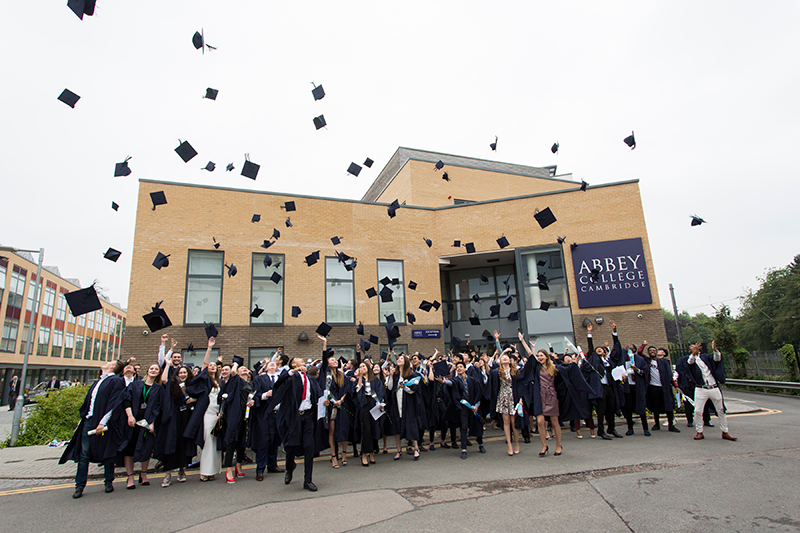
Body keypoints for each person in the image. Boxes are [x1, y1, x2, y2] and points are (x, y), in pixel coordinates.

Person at [60, 359, 126, 499]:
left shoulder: (115, 381)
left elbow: (113, 403)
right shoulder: (98, 381)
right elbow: (89, 403)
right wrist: (80, 422)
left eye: (109, 362)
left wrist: (102, 422)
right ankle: (79, 485)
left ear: (113, 367)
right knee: (84, 454)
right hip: (88, 421)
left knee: (106, 453)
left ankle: (108, 481)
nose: (106, 362)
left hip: (103, 423)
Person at [268, 356, 324, 491]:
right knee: (291, 446)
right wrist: (293, 371)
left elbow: (318, 394)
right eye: (299, 359)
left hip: (308, 416)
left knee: (309, 447)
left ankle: (308, 480)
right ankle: (290, 468)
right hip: (294, 417)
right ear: (293, 364)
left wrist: (324, 402)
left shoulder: (310, 379)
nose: (302, 360)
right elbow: (280, 382)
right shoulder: (290, 377)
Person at [117, 363, 163, 489]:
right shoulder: (136, 385)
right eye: (152, 368)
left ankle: (143, 474)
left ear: (159, 373)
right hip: (132, 422)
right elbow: (126, 399)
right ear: (147, 371)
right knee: (129, 449)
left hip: (146, 422)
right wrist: (130, 416)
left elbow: (157, 407)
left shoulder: (158, 388)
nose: (153, 371)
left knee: (146, 448)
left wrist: (152, 424)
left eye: (156, 369)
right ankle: (130, 476)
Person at [518, 333, 562, 457]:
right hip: (539, 396)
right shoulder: (537, 367)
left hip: (551, 396)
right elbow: (531, 355)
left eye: (542, 355)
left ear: (547, 357)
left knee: (554, 421)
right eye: (538, 356)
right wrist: (523, 341)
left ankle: (558, 444)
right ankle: (544, 445)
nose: (539, 357)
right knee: (540, 421)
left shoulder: (554, 368)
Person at [184, 337, 221, 481]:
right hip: (207, 414)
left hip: (217, 415)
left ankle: (212, 471)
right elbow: (205, 364)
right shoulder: (204, 380)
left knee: (215, 443)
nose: (212, 366)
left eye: (214, 365)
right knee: (207, 442)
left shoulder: (219, 382)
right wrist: (209, 348)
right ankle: (204, 472)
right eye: (210, 365)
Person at [157, 363, 196, 487]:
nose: (183, 375)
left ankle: (182, 470)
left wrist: (194, 399)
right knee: (171, 443)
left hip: (187, 417)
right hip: (174, 416)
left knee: (184, 443)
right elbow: (163, 380)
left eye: (185, 373)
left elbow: (200, 396)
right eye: (180, 373)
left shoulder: (191, 385)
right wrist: (167, 365)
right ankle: (168, 474)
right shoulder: (172, 384)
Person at [688, 341, 737, 442]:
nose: (695, 348)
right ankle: (699, 432)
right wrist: (693, 353)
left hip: (713, 387)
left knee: (721, 410)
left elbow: (717, 359)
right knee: (697, 411)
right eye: (693, 348)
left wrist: (715, 350)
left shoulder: (706, 357)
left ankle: (725, 432)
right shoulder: (690, 359)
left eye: (696, 347)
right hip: (700, 389)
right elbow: (690, 362)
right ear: (690, 350)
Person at [583, 324, 623, 439]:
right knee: (601, 409)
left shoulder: (608, 361)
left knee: (611, 408)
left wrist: (614, 332)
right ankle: (601, 430)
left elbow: (617, 350)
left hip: (610, 387)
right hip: (600, 388)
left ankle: (611, 428)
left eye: (601, 349)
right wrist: (589, 333)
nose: (599, 349)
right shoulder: (594, 361)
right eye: (597, 349)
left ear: (605, 352)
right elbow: (591, 348)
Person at [442, 361, 487, 459]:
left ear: (465, 369)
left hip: (473, 406)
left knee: (477, 425)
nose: (459, 368)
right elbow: (451, 383)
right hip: (463, 407)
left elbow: (478, 394)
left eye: (461, 367)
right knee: (464, 426)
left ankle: (480, 444)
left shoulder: (473, 380)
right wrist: (444, 381)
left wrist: (476, 406)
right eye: (457, 367)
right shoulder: (457, 380)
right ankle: (463, 449)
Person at [219, 360, 254, 484]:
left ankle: (238, 465)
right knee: (232, 441)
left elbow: (253, 396)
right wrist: (235, 364)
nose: (245, 369)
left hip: (246, 415)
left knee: (242, 441)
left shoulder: (250, 383)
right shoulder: (236, 380)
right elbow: (233, 371)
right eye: (242, 368)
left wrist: (252, 402)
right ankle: (228, 469)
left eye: (246, 368)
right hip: (235, 415)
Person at [317, 335, 349, 468]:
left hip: (341, 405)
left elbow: (346, 389)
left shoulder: (342, 375)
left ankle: (344, 453)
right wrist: (325, 344)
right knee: (331, 430)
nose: (335, 361)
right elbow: (324, 358)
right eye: (332, 360)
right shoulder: (325, 373)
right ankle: (333, 456)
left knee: (343, 429)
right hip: (330, 405)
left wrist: (341, 400)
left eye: (336, 360)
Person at [613, 322, 650, 436]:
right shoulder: (623, 359)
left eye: (631, 347)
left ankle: (645, 428)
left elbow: (645, 372)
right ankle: (630, 428)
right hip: (627, 387)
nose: (629, 348)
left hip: (637, 386)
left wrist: (637, 370)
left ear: (634, 349)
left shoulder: (639, 359)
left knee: (641, 407)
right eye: (627, 347)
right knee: (628, 408)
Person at [386, 354, 423, 460]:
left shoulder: (411, 374)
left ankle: (416, 448)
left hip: (408, 404)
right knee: (397, 427)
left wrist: (405, 387)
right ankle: (398, 450)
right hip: (396, 404)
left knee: (411, 425)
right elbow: (390, 388)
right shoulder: (396, 374)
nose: (399, 360)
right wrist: (391, 375)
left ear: (406, 361)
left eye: (401, 358)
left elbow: (414, 389)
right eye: (398, 359)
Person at [252, 361, 284, 480]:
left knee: (275, 440)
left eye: (274, 364)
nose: (272, 365)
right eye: (269, 364)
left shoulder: (281, 379)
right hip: (265, 414)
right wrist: (265, 395)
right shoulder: (260, 379)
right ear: (265, 368)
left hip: (279, 414)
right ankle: (260, 469)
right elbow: (254, 394)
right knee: (264, 441)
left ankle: (272, 465)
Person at [641, 343, 680, 433]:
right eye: (650, 351)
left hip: (664, 387)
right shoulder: (647, 362)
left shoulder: (664, 362)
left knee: (669, 406)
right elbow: (639, 352)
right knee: (655, 407)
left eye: (654, 350)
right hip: (653, 387)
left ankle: (671, 425)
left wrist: (675, 385)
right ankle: (657, 424)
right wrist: (644, 345)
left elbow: (669, 375)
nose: (652, 352)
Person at [355, 361, 385, 466]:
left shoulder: (375, 380)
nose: (362, 368)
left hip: (374, 404)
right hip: (364, 404)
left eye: (363, 366)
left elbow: (380, 392)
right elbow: (358, 390)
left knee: (373, 428)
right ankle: (364, 454)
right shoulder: (360, 380)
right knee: (366, 429)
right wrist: (360, 376)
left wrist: (379, 403)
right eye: (360, 366)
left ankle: (371, 452)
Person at [675, 349, 712, 428]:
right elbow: (678, 372)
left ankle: (706, 420)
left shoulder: (702, 359)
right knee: (688, 404)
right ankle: (690, 421)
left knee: (704, 404)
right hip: (688, 385)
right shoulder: (683, 360)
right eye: (692, 348)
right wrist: (676, 385)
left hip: (700, 385)